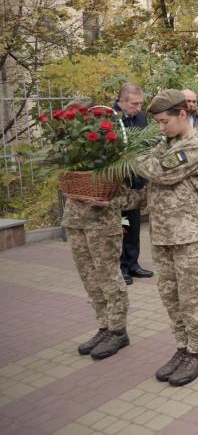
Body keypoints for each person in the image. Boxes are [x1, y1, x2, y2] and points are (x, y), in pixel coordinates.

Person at [106, 90, 198, 386]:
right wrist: (113, 200)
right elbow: (150, 188)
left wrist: (125, 157)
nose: (161, 127)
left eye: (165, 121)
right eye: (157, 122)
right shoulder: (167, 143)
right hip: (164, 237)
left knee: (191, 299)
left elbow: (159, 173)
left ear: (183, 114)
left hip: (189, 238)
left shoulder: (195, 147)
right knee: (170, 297)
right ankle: (182, 347)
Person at [62, 101, 129, 361]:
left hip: (102, 223)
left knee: (108, 278)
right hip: (76, 220)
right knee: (89, 278)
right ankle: (103, 326)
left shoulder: (109, 149)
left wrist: (106, 200)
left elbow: (122, 192)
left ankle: (118, 331)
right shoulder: (75, 147)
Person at [113, 83, 153, 285]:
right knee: (120, 226)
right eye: (134, 104)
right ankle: (121, 266)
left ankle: (133, 263)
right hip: (117, 185)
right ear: (122, 101)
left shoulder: (141, 118)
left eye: (140, 103)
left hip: (136, 182)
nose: (138, 108)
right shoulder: (110, 119)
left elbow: (146, 146)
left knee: (134, 224)